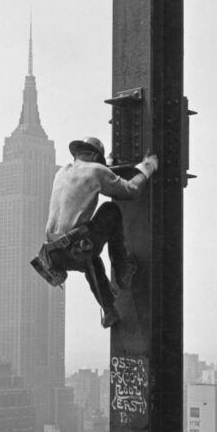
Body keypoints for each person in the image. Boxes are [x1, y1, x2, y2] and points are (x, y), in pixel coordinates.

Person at [32, 136, 158, 328]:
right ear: (94, 156)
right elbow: (131, 190)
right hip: (75, 247)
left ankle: (109, 311)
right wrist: (148, 167)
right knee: (110, 210)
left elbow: (90, 176)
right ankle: (123, 271)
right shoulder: (97, 171)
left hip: (53, 255)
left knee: (91, 257)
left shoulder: (61, 173)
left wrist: (105, 165)